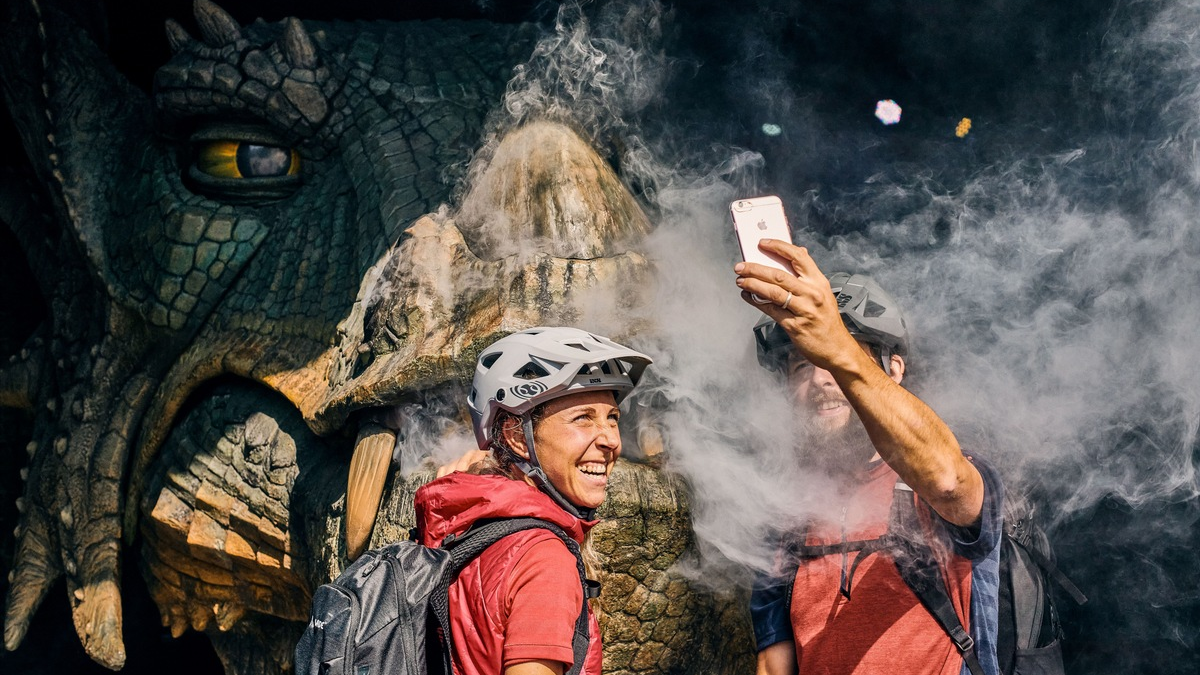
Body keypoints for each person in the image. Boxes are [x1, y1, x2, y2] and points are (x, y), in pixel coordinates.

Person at [734, 239, 1005, 675]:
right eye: (803, 365)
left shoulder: (945, 471)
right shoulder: (789, 513)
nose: (822, 379)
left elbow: (949, 481)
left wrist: (835, 346)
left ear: (894, 369)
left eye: (840, 358)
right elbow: (774, 661)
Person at [413, 327, 652, 675]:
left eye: (612, 418)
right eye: (583, 418)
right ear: (516, 436)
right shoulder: (544, 560)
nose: (611, 441)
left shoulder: (460, 530)